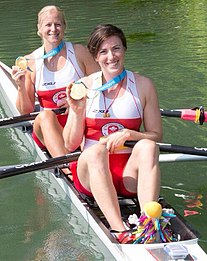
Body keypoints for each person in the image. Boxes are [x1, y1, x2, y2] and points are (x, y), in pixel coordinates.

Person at [63, 24, 163, 242]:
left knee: (148, 146)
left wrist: (132, 134)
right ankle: (120, 230)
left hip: (129, 175)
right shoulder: (82, 87)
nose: (111, 57)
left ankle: (148, 224)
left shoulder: (144, 86)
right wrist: (78, 111)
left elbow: (156, 135)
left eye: (116, 49)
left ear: (124, 50)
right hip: (91, 176)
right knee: (97, 151)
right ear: (96, 57)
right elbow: (70, 145)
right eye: (104, 52)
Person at [11, 5, 99, 159]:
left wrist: (80, 98)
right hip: (48, 128)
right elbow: (25, 111)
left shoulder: (79, 53)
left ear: (64, 27)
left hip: (77, 123)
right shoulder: (30, 62)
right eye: (48, 25)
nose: (53, 29)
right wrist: (20, 87)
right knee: (45, 116)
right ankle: (67, 168)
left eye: (58, 24)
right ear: (39, 29)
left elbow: (103, 84)